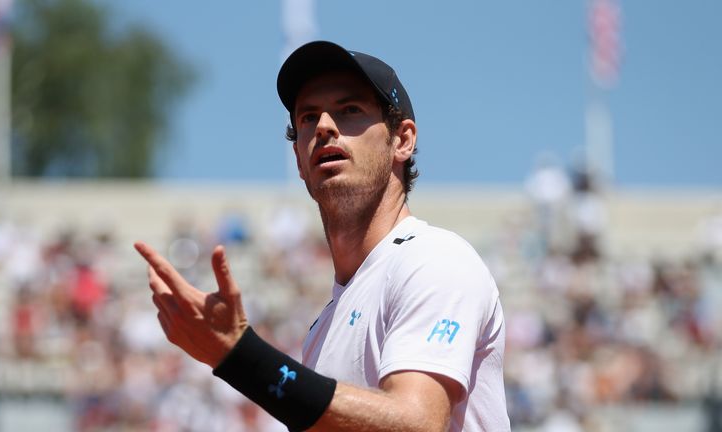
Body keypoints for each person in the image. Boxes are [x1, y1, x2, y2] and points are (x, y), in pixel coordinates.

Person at [135, 41, 510, 431]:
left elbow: (416, 423)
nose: (325, 127)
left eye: (350, 111)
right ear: (299, 158)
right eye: (309, 118)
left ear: (402, 141)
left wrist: (239, 357)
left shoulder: (433, 258)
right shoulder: (323, 329)